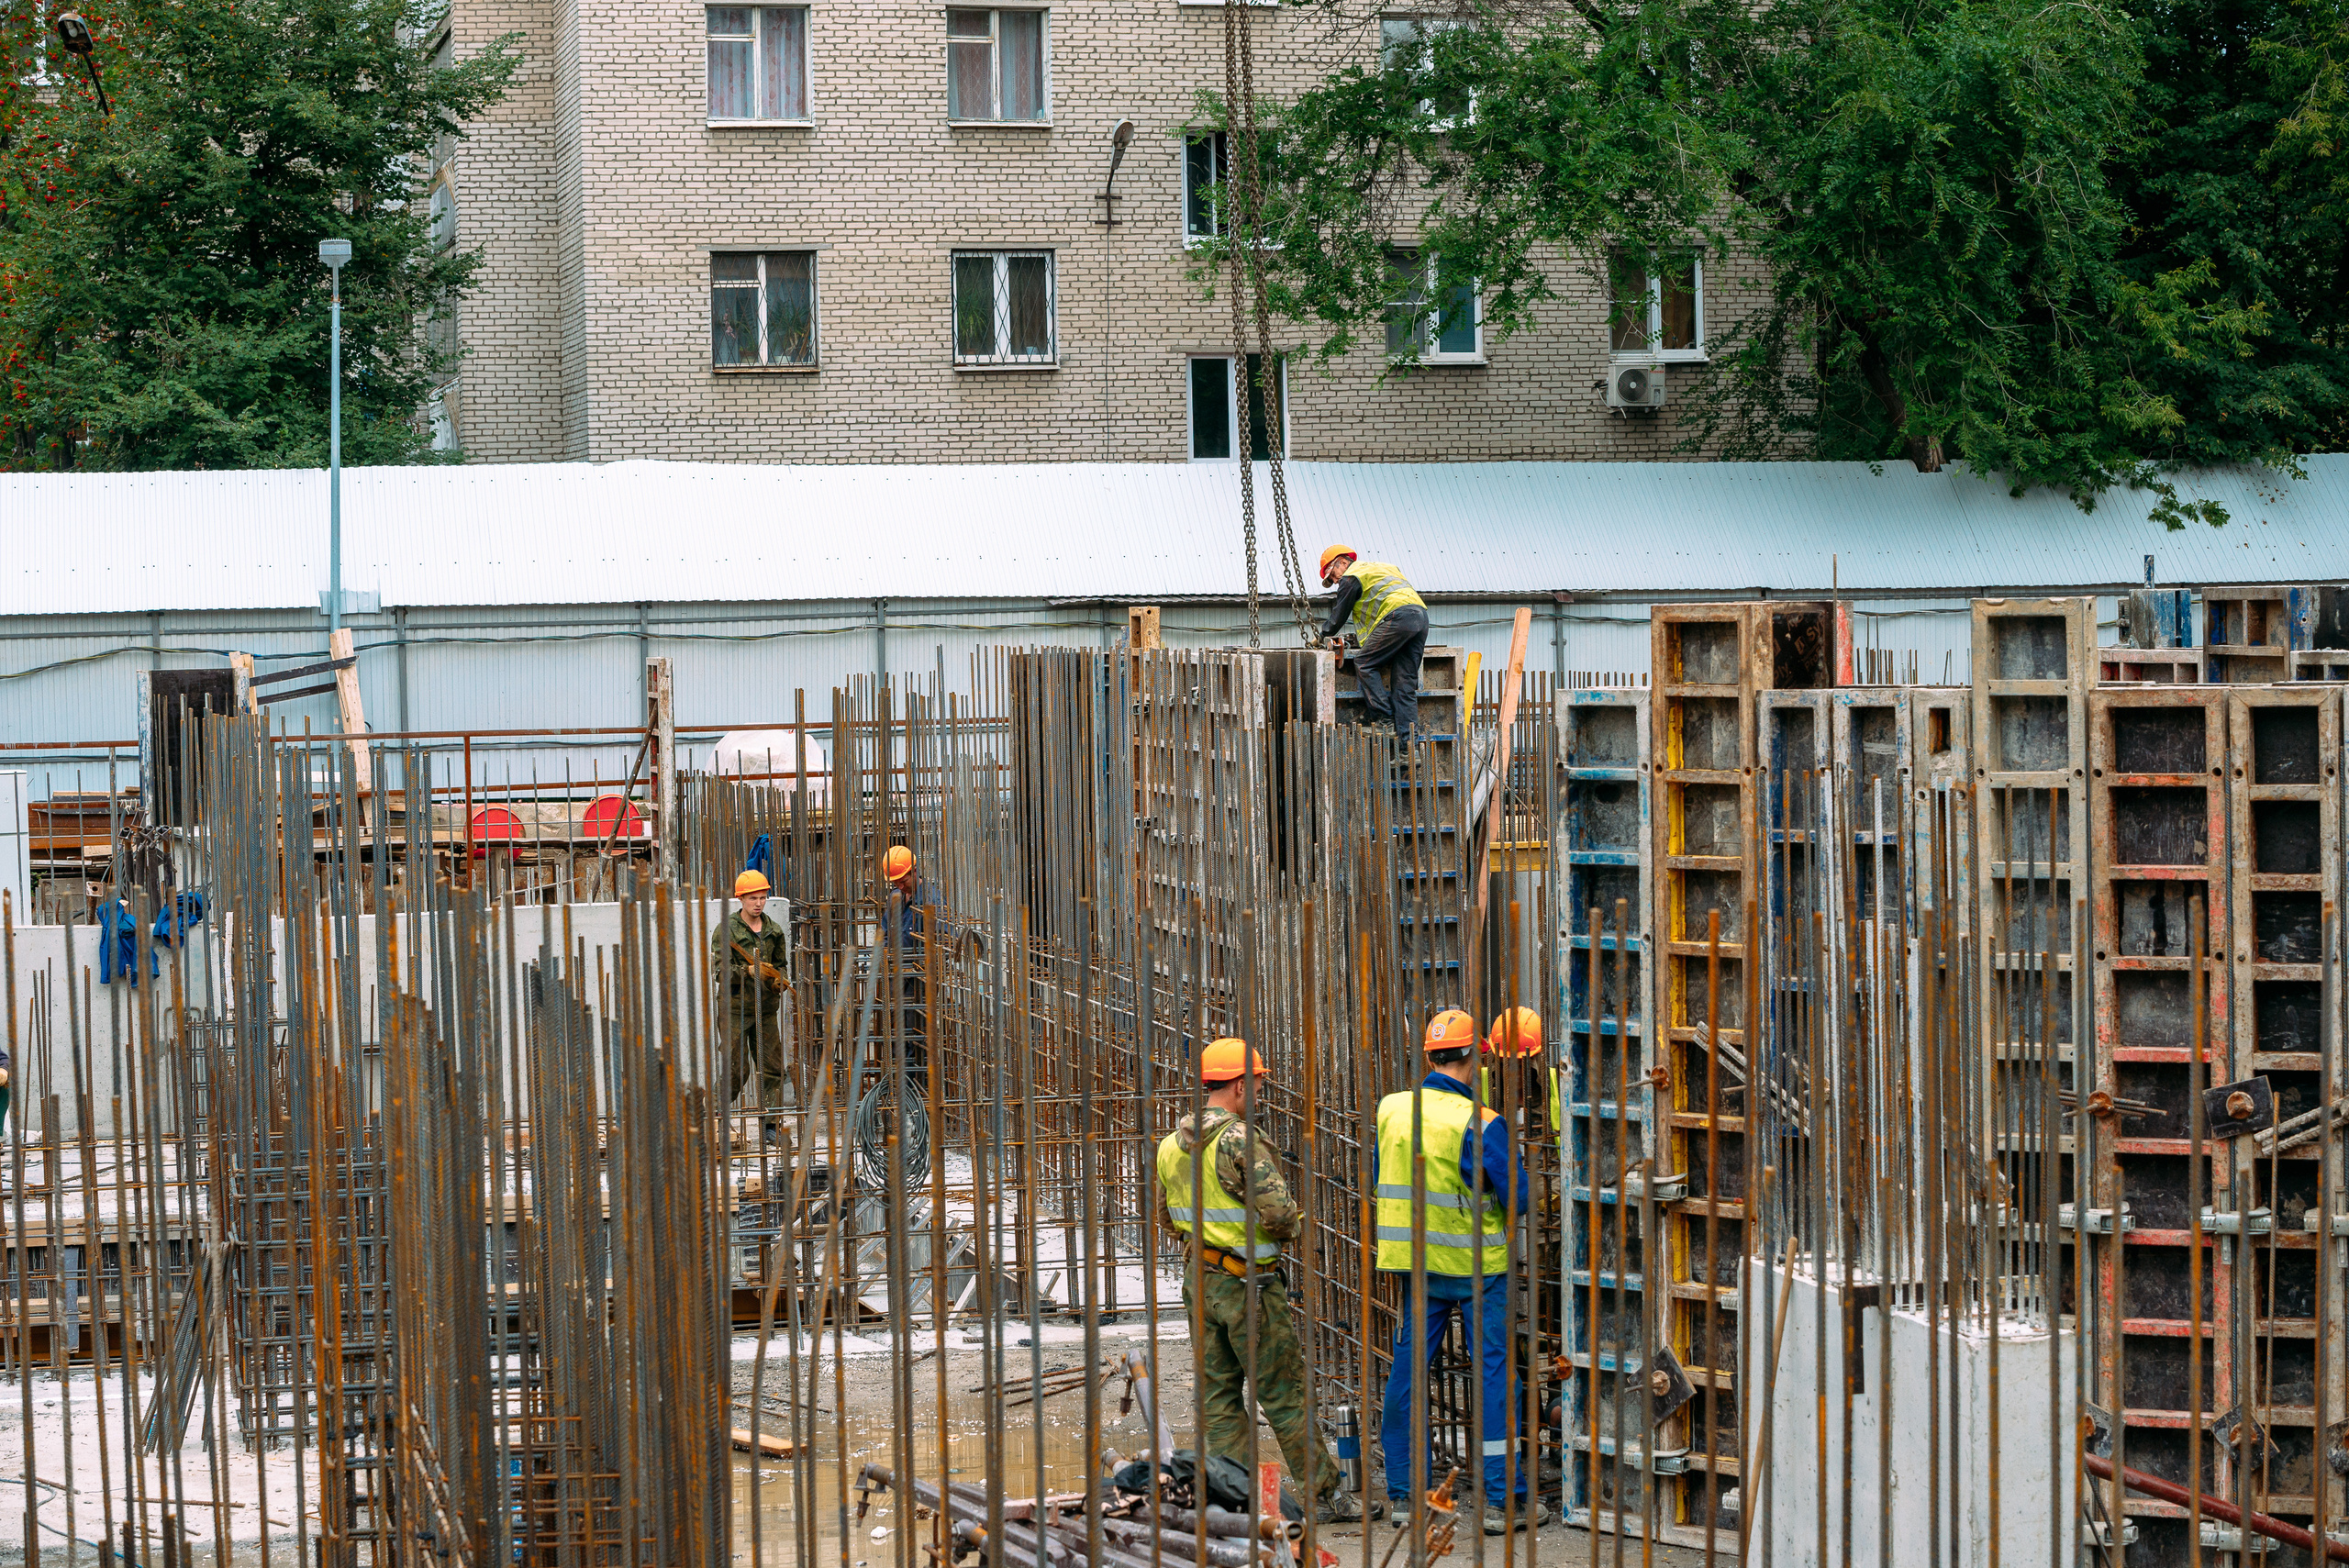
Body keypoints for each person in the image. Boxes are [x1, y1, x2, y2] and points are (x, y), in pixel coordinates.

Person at [1157, 1039, 1369, 1524]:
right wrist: (1290, 1225)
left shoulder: (1171, 1145)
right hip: (1250, 1287)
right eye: (1257, 1083)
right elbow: (1277, 1216)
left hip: (1201, 1281)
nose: (1261, 1091)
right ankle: (1326, 1496)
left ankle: (1239, 1501)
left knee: (1219, 1396)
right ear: (1237, 1086)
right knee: (1283, 1394)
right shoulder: (1238, 1141)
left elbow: (1166, 1218)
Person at [1374, 1009, 1551, 1532]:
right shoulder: (1482, 1121)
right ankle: (1504, 1502)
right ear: (1474, 1059)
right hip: (1478, 1271)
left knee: (1407, 1376)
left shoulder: (1392, 1110)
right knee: (1493, 1378)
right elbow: (1516, 1198)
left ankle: (1406, 1495)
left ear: (1429, 1057)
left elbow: (1387, 1179)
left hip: (1414, 1268)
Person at [1318, 547, 1431, 745]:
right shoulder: (1381, 568)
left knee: (1364, 662)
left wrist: (1322, 635)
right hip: (1420, 617)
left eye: (1332, 575)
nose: (1335, 581)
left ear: (1342, 562)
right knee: (1404, 686)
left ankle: (1384, 720)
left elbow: (1339, 616)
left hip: (1399, 617)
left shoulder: (1352, 576)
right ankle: (1409, 751)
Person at [714, 868, 792, 1107]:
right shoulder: (726, 930)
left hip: (766, 1010)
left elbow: (781, 965)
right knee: (736, 1070)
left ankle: (771, 1125)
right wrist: (746, 971)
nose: (759, 904)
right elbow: (719, 971)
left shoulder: (774, 931)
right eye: (753, 898)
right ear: (741, 899)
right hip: (735, 1010)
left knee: (772, 1068)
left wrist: (780, 981)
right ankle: (714, 1113)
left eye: (762, 898)